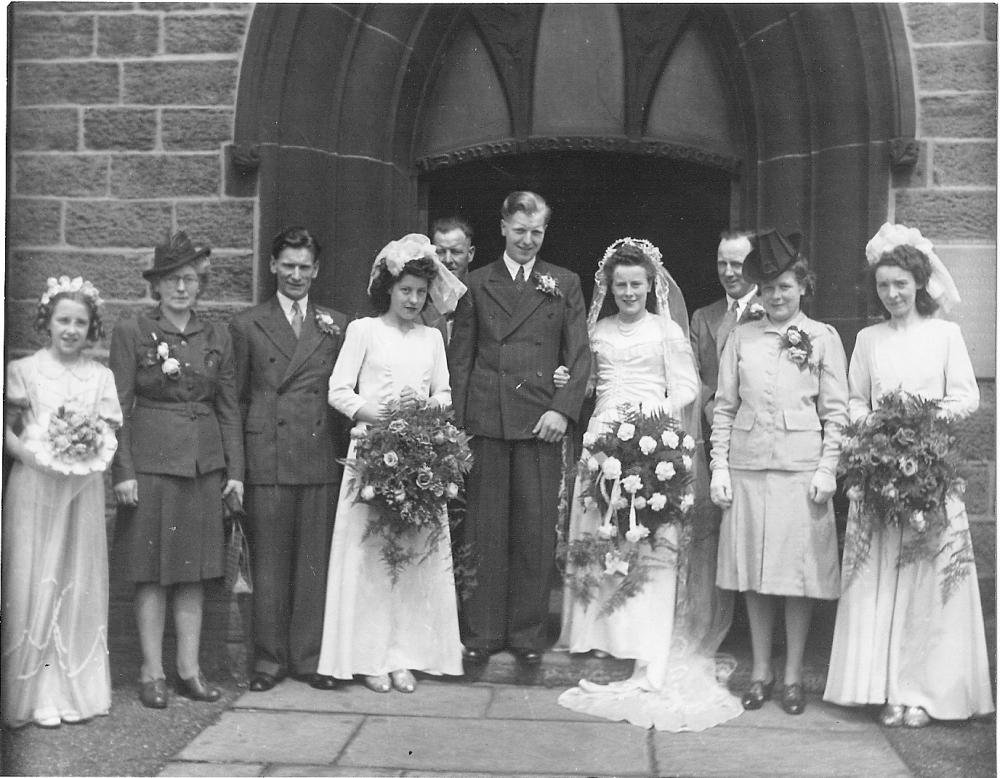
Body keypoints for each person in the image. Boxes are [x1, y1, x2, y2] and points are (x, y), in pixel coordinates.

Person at [555, 238, 743, 731]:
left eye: (636, 284)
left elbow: (687, 387)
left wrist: (651, 415)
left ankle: (640, 636)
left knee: (644, 539)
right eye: (620, 285)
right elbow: (586, 381)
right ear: (609, 287)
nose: (628, 292)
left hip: (650, 436)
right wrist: (568, 379)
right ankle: (598, 632)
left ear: (651, 285)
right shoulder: (596, 331)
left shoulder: (666, 332)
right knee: (601, 533)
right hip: (601, 434)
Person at [823, 223, 994, 727]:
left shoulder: (946, 335)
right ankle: (884, 689)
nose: (892, 293)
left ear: (919, 283)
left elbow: (967, 397)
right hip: (879, 471)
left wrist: (919, 424)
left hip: (929, 470)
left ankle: (923, 691)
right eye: (883, 285)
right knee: (876, 576)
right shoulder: (869, 339)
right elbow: (854, 399)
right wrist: (876, 429)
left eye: (900, 283)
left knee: (927, 581)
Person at [317, 233, 466, 692]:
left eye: (421, 292)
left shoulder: (432, 338)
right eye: (406, 291)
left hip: (419, 453)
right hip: (372, 455)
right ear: (389, 288)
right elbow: (339, 391)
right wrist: (384, 417)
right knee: (373, 556)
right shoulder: (364, 331)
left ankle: (405, 655)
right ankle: (369, 658)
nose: (413, 299)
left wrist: (422, 416)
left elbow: (443, 393)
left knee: (411, 558)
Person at [449, 191, 591, 666]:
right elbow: (461, 361)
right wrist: (460, 427)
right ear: (503, 228)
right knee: (484, 530)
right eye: (520, 230)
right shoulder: (475, 282)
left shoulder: (564, 282)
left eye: (537, 232)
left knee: (534, 532)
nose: (528, 240)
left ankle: (528, 634)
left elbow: (579, 356)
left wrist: (562, 410)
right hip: (486, 422)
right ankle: (484, 632)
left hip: (540, 424)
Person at [710, 228, 848, 715]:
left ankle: (792, 678)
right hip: (748, 469)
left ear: (803, 286)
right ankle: (761, 671)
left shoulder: (822, 339)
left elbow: (837, 413)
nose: (776, 296)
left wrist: (828, 469)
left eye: (785, 286)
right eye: (767, 288)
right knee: (755, 574)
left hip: (800, 471)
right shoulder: (742, 338)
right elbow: (724, 407)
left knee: (798, 576)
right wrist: (718, 468)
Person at [110, 231, 244, 709]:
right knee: (151, 573)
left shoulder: (217, 336)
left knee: (194, 573)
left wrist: (234, 471)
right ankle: (152, 672)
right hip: (150, 468)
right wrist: (122, 471)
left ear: (198, 285)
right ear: (158, 286)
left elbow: (228, 408)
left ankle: (190, 669)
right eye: (172, 279)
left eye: (189, 279)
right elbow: (117, 406)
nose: (181, 288)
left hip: (202, 469)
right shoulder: (132, 332)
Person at [230, 227, 348, 692]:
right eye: (289, 265)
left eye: (305, 267)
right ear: (273, 266)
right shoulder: (247, 325)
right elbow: (235, 402)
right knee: (271, 563)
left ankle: (309, 657)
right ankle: (268, 660)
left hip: (318, 454)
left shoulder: (335, 322)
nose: (297, 274)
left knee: (313, 563)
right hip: (269, 457)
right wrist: (238, 470)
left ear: (316, 270)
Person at [2, 278, 123, 728]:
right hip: (34, 487)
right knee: (34, 576)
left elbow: (109, 432)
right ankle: (34, 692)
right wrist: (29, 455)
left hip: (81, 491)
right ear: (47, 323)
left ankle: (70, 686)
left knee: (76, 578)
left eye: (80, 322)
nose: (71, 329)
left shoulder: (100, 376)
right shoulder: (25, 370)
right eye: (63, 320)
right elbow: (7, 428)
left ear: (91, 328)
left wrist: (88, 447)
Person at [689, 230, 759, 434]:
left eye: (736, 264)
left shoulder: (772, 312)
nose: (728, 272)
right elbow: (689, 370)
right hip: (712, 427)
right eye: (722, 263)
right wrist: (709, 404)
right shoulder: (702, 317)